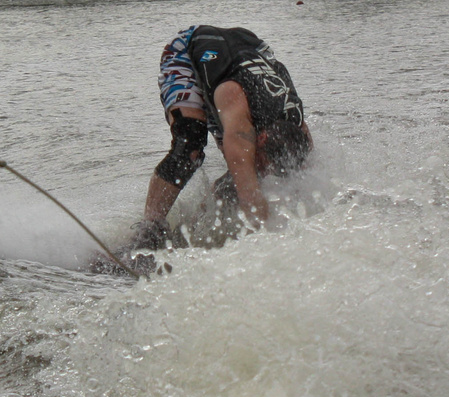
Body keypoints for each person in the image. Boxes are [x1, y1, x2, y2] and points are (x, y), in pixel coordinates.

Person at [129, 25, 312, 251]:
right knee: (191, 144)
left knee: (248, 174)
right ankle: (148, 233)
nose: (265, 172)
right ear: (261, 138)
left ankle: (194, 228)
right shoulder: (240, 123)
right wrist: (272, 249)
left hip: (249, 48)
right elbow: (251, 201)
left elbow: (303, 181)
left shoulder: (296, 124)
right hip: (190, 50)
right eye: (264, 163)